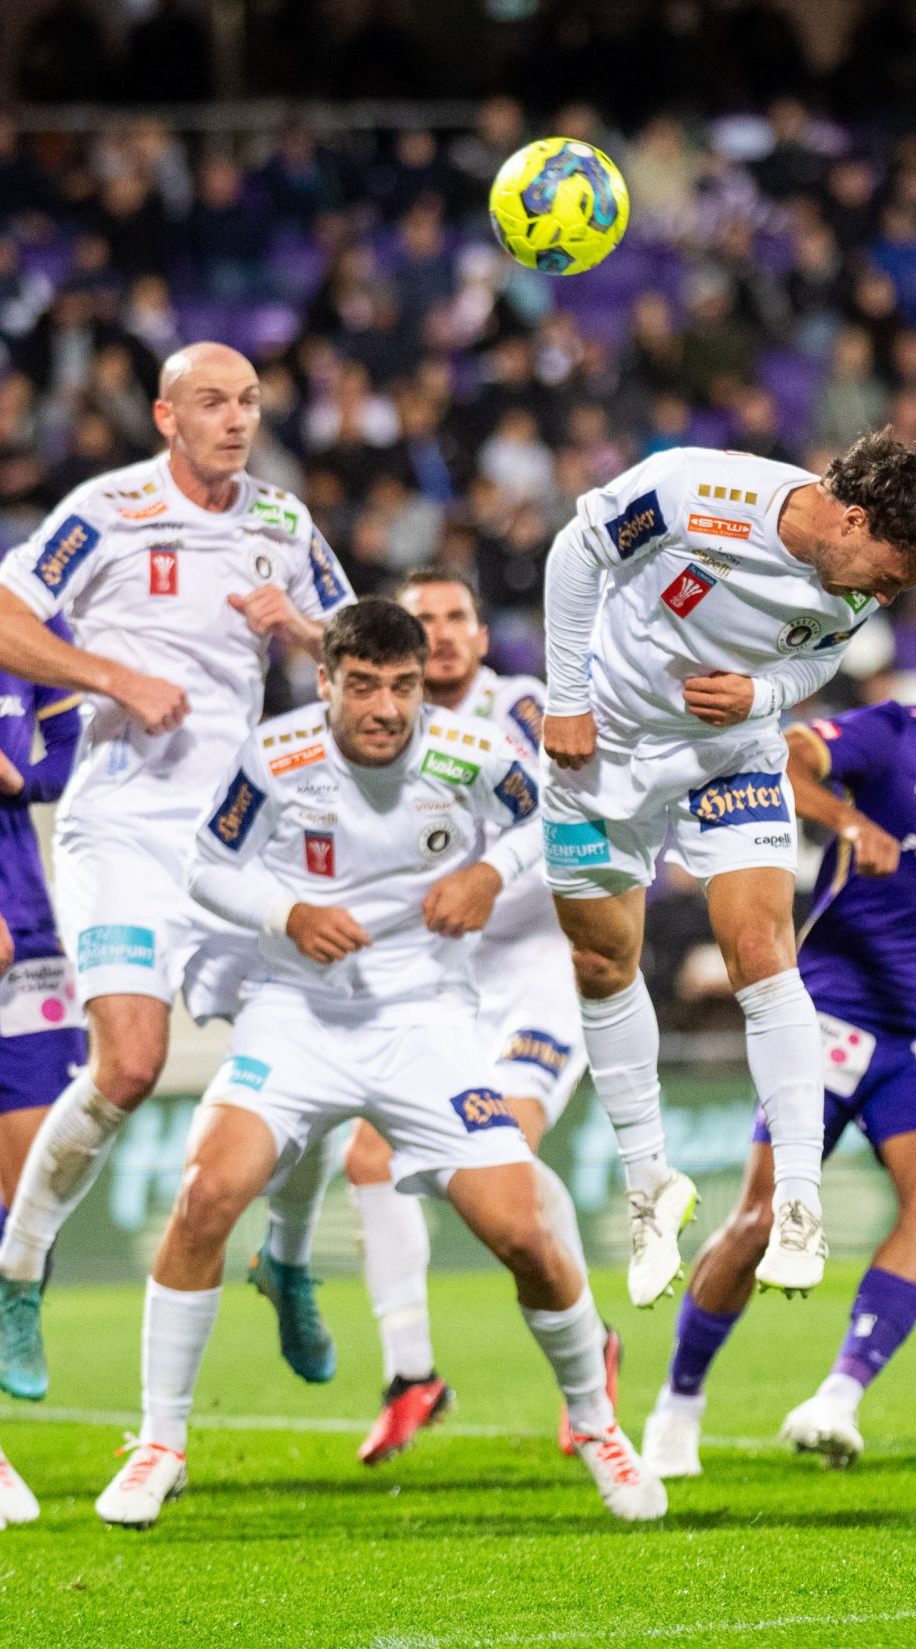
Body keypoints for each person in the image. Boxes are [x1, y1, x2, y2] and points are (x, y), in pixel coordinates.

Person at [93, 600, 664, 1528]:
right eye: (363, 685)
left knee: (521, 1229)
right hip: (296, 1016)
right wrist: (287, 915)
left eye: (402, 687)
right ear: (327, 682)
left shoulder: (469, 752)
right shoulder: (276, 757)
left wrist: (489, 873)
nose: (387, 708)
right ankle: (160, 1442)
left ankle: (599, 1427)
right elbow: (205, 866)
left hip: (426, 1023)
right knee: (205, 1191)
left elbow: (547, 817)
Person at [539, 427, 916, 1308]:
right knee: (600, 963)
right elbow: (575, 549)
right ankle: (649, 1189)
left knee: (762, 953)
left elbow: (816, 653)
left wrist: (765, 695)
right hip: (607, 746)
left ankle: (797, 1200)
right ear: (853, 519)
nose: (884, 597)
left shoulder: (857, 584)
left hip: (728, 756)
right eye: (889, 576)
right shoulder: (692, 491)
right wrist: (565, 697)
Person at [642, 590, 916, 1475]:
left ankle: (836, 1398)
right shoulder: (892, 734)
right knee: (761, 1220)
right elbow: (780, 758)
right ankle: (676, 1406)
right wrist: (846, 818)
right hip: (829, 1015)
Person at [0, 342, 353, 1401]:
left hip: (238, 835)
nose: (236, 419)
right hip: (121, 829)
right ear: (165, 414)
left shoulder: (284, 523)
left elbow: (365, 649)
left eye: (248, 401)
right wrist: (111, 673)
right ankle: (18, 1277)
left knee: (332, 1056)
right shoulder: (104, 509)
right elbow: (5, 614)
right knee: (129, 1064)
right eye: (212, 401)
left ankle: (284, 1256)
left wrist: (298, 628)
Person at [328, 569, 614, 1465]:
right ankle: (411, 1371)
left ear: (482, 638)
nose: (443, 633)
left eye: (458, 617)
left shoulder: (522, 708)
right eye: (424, 622)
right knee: (369, 1153)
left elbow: (571, 812)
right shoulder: (376, 737)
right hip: (439, 973)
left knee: (503, 1156)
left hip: (536, 967)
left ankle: (589, 1346)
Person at [0, 621, 83, 1528]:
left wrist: (22, 778)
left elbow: (75, 756)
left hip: (25, 932)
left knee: (35, 1197)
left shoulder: (24, 630)